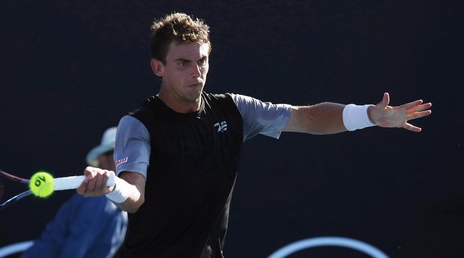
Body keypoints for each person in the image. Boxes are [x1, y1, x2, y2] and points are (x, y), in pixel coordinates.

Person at [75, 12, 433, 258]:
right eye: (183, 63)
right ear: (158, 67)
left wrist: (368, 116)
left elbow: (306, 117)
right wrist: (112, 186)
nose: (196, 72)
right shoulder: (138, 124)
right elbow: (134, 194)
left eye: (202, 60)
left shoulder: (235, 110)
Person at [22, 127, 127, 258]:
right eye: (121, 154)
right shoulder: (98, 201)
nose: (129, 162)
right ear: (103, 160)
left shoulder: (122, 204)